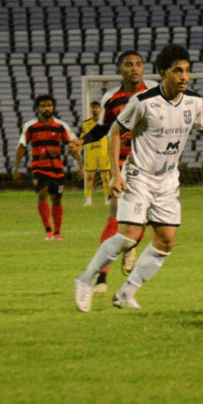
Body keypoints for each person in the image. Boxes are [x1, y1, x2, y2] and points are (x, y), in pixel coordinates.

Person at [73, 44, 203, 312]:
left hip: (168, 180)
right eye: (178, 71)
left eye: (187, 71)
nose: (184, 76)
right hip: (138, 176)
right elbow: (114, 132)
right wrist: (115, 174)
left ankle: (126, 293)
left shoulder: (194, 102)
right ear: (163, 73)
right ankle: (86, 279)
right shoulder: (143, 101)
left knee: (166, 240)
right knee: (129, 236)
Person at [69, 50, 157, 294]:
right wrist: (82, 141)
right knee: (114, 215)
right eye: (128, 65)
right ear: (120, 70)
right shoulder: (112, 98)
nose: (134, 68)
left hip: (150, 165)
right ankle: (100, 278)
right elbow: (103, 129)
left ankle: (129, 247)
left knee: (147, 222)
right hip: (122, 166)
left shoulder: (154, 92)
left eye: (138, 64)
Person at [14, 95, 84, 240]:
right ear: (38, 108)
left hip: (57, 168)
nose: (47, 108)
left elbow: (73, 146)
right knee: (42, 193)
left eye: (50, 105)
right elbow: (21, 147)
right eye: (44, 106)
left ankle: (58, 232)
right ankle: (48, 231)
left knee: (57, 199)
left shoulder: (61, 126)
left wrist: (80, 166)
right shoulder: (31, 126)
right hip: (39, 167)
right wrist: (16, 169)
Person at [79, 101, 111, 207]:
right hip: (91, 152)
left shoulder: (106, 123)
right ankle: (88, 199)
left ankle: (107, 198)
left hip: (103, 152)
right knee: (90, 177)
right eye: (93, 108)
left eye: (97, 108)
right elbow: (82, 138)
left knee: (106, 177)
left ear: (100, 109)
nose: (95, 110)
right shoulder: (86, 124)